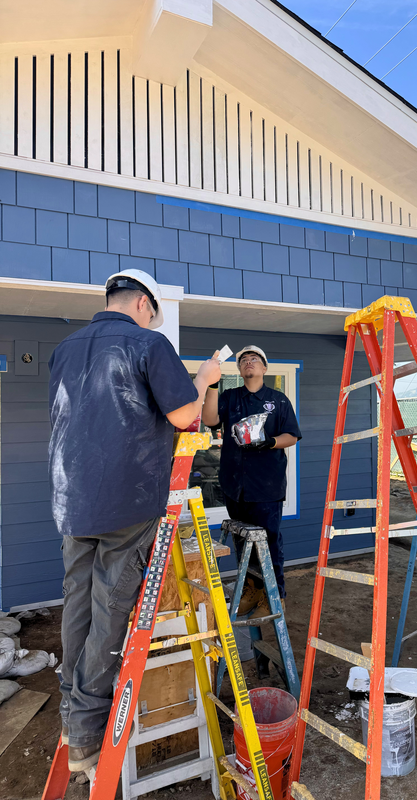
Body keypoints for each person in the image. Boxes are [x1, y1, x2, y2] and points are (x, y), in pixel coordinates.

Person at [48, 268, 221, 772]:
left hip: (71, 499)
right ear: (144, 305)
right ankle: (84, 732)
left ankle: (71, 709)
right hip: (128, 499)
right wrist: (205, 379)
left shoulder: (65, 348)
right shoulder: (148, 343)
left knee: (78, 601)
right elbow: (186, 416)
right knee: (110, 608)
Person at [202, 345, 302, 617]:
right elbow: (210, 419)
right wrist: (212, 385)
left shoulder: (278, 400)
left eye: (254, 359)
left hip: (266, 486)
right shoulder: (231, 397)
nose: (249, 362)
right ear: (239, 369)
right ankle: (251, 589)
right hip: (235, 485)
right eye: (244, 359)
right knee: (242, 541)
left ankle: (274, 596)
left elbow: (291, 436)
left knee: (269, 541)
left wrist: (269, 442)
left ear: (264, 368)